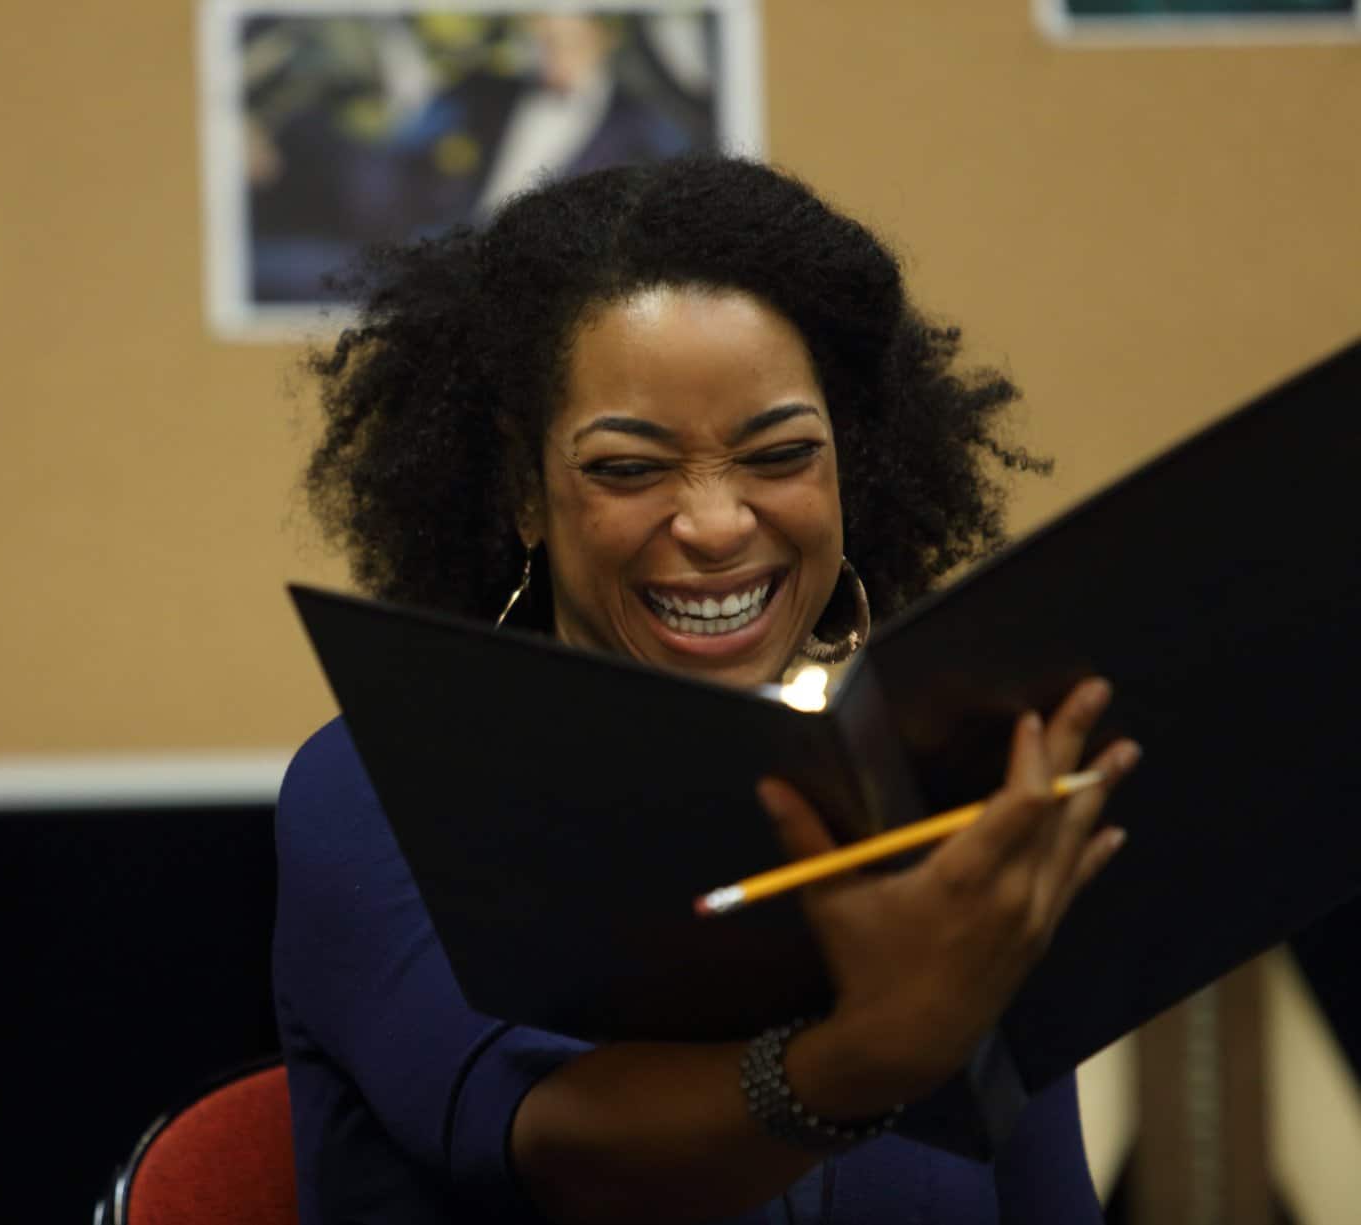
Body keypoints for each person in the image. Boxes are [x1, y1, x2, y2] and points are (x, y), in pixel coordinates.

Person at [275, 155, 1142, 1224]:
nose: (716, 523)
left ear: (849, 467)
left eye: (778, 454)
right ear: (522, 492)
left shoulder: (935, 799)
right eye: (628, 469)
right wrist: (863, 1057)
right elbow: (562, 1152)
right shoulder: (372, 786)